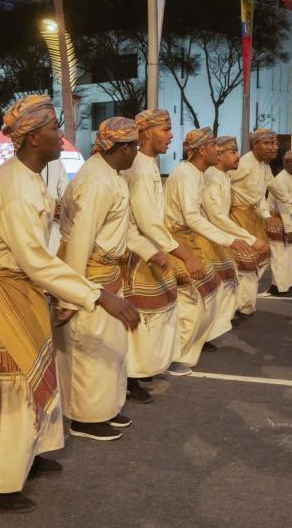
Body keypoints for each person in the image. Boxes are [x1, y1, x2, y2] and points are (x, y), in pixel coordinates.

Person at [0, 94, 139, 512]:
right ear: (33, 137)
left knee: (36, 374)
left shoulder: (28, 176)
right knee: (7, 385)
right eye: (55, 128)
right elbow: (37, 261)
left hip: (21, 289)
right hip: (2, 291)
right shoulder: (16, 188)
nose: (62, 136)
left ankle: (24, 458)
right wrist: (96, 295)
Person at [55, 117, 154, 441]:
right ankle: (85, 418)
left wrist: (154, 253)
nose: (136, 153)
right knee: (89, 348)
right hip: (90, 275)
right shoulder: (96, 180)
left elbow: (121, 230)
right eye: (135, 147)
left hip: (108, 271)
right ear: (123, 148)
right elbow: (80, 241)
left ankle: (105, 409)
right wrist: (70, 295)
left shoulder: (109, 175)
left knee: (110, 346)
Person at [121, 109, 202, 400]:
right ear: (146, 133)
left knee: (159, 312)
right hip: (138, 253)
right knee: (141, 316)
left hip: (152, 248)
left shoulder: (149, 163)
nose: (171, 136)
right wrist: (184, 255)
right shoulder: (139, 167)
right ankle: (130, 378)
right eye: (165, 130)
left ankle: (145, 368)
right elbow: (146, 221)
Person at [165, 127, 247, 369]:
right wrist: (230, 240)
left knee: (211, 292)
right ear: (202, 150)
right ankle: (177, 356)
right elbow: (192, 217)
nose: (218, 150)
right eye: (214, 146)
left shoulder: (196, 173)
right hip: (175, 240)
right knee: (194, 299)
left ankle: (193, 345)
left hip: (187, 237)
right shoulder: (185, 174)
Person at [230, 128, 292, 317]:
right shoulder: (242, 165)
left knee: (258, 261)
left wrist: (285, 204)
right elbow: (223, 186)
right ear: (254, 145)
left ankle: (244, 305)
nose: (274, 148)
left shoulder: (263, 166)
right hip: (237, 218)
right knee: (243, 264)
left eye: (275, 143)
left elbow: (271, 188)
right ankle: (237, 307)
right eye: (267, 143)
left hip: (254, 217)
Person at [202, 136, 264, 319]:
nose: (239, 156)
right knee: (215, 285)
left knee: (229, 280)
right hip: (209, 237)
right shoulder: (211, 177)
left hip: (220, 235)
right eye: (234, 151)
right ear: (219, 155)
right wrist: (250, 239)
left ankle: (229, 315)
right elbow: (216, 217)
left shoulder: (225, 175)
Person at [267, 149, 292, 295]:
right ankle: (277, 287)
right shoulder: (281, 179)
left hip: (291, 221)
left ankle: (287, 284)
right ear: (286, 162)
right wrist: (289, 229)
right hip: (278, 220)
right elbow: (282, 205)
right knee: (280, 256)